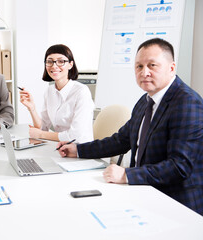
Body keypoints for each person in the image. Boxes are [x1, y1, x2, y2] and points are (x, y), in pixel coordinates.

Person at [57, 38, 203, 215]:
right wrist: (77, 150)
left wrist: (127, 175)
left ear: (171, 68)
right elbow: (121, 140)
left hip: (176, 204)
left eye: (152, 65)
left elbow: (179, 166)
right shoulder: (146, 100)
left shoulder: (187, 103)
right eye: (139, 66)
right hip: (144, 193)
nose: (144, 72)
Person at [19, 44, 94, 143]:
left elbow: (74, 136)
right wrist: (31, 108)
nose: (54, 66)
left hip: (81, 150)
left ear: (70, 64)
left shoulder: (81, 92)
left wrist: (41, 134)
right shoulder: (50, 91)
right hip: (61, 149)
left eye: (60, 61)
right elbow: (43, 128)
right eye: (49, 61)